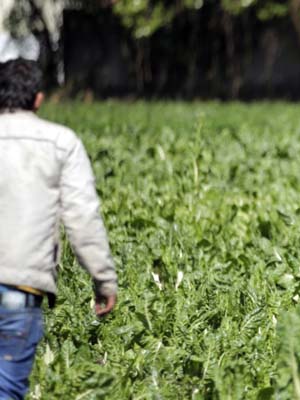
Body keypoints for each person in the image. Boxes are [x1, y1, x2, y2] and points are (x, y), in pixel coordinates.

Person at [0, 59, 117, 399]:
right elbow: (83, 219)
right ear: (38, 99)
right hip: (19, 289)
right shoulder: (61, 143)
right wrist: (104, 280)